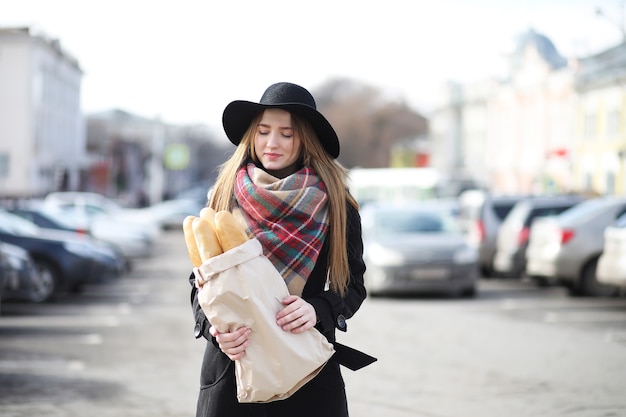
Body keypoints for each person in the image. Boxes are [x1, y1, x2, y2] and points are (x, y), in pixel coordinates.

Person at [188, 81, 374, 417]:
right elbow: (200, 281)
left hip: (306, 372)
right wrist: (214, 330)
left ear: (305, 139)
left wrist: (318, 309)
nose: (272, 143)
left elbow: (353, 287)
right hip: (234, 370)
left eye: (286, 134)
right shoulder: (225, 196)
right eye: (263, 131)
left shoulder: (336, 204)